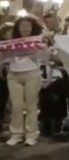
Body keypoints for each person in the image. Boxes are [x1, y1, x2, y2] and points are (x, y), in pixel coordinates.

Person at [5, 16, 46, 146]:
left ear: (32, 27)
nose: (25, 28)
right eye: (22, 26)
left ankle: (31, 134)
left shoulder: (37, 41)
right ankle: (16, 134)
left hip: (32, 74)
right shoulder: (10, 42)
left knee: (31, 106)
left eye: (28, 26)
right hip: (13, 75)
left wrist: (37, 50)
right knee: (16, 105)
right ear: (17, 28)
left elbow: (45, 56)